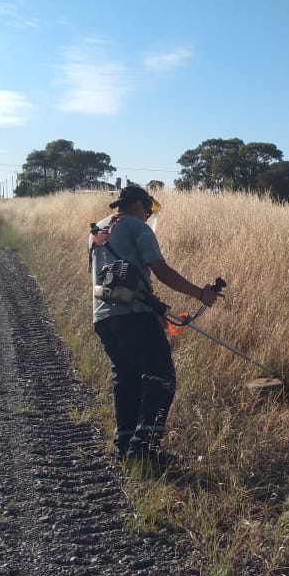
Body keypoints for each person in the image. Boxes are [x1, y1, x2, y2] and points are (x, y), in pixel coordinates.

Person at [90, 184, 220, 472]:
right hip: (132, 317)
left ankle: (124, 446)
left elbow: (113, 277)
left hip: (104, 318)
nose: (149, 215)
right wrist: (201, 293)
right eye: (148, 209)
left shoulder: (98, 229)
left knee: (126, 379)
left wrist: (151, 307)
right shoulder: (137, 226)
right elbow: (161, 271)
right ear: (138, 205)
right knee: (161, 376)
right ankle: (144, 449)